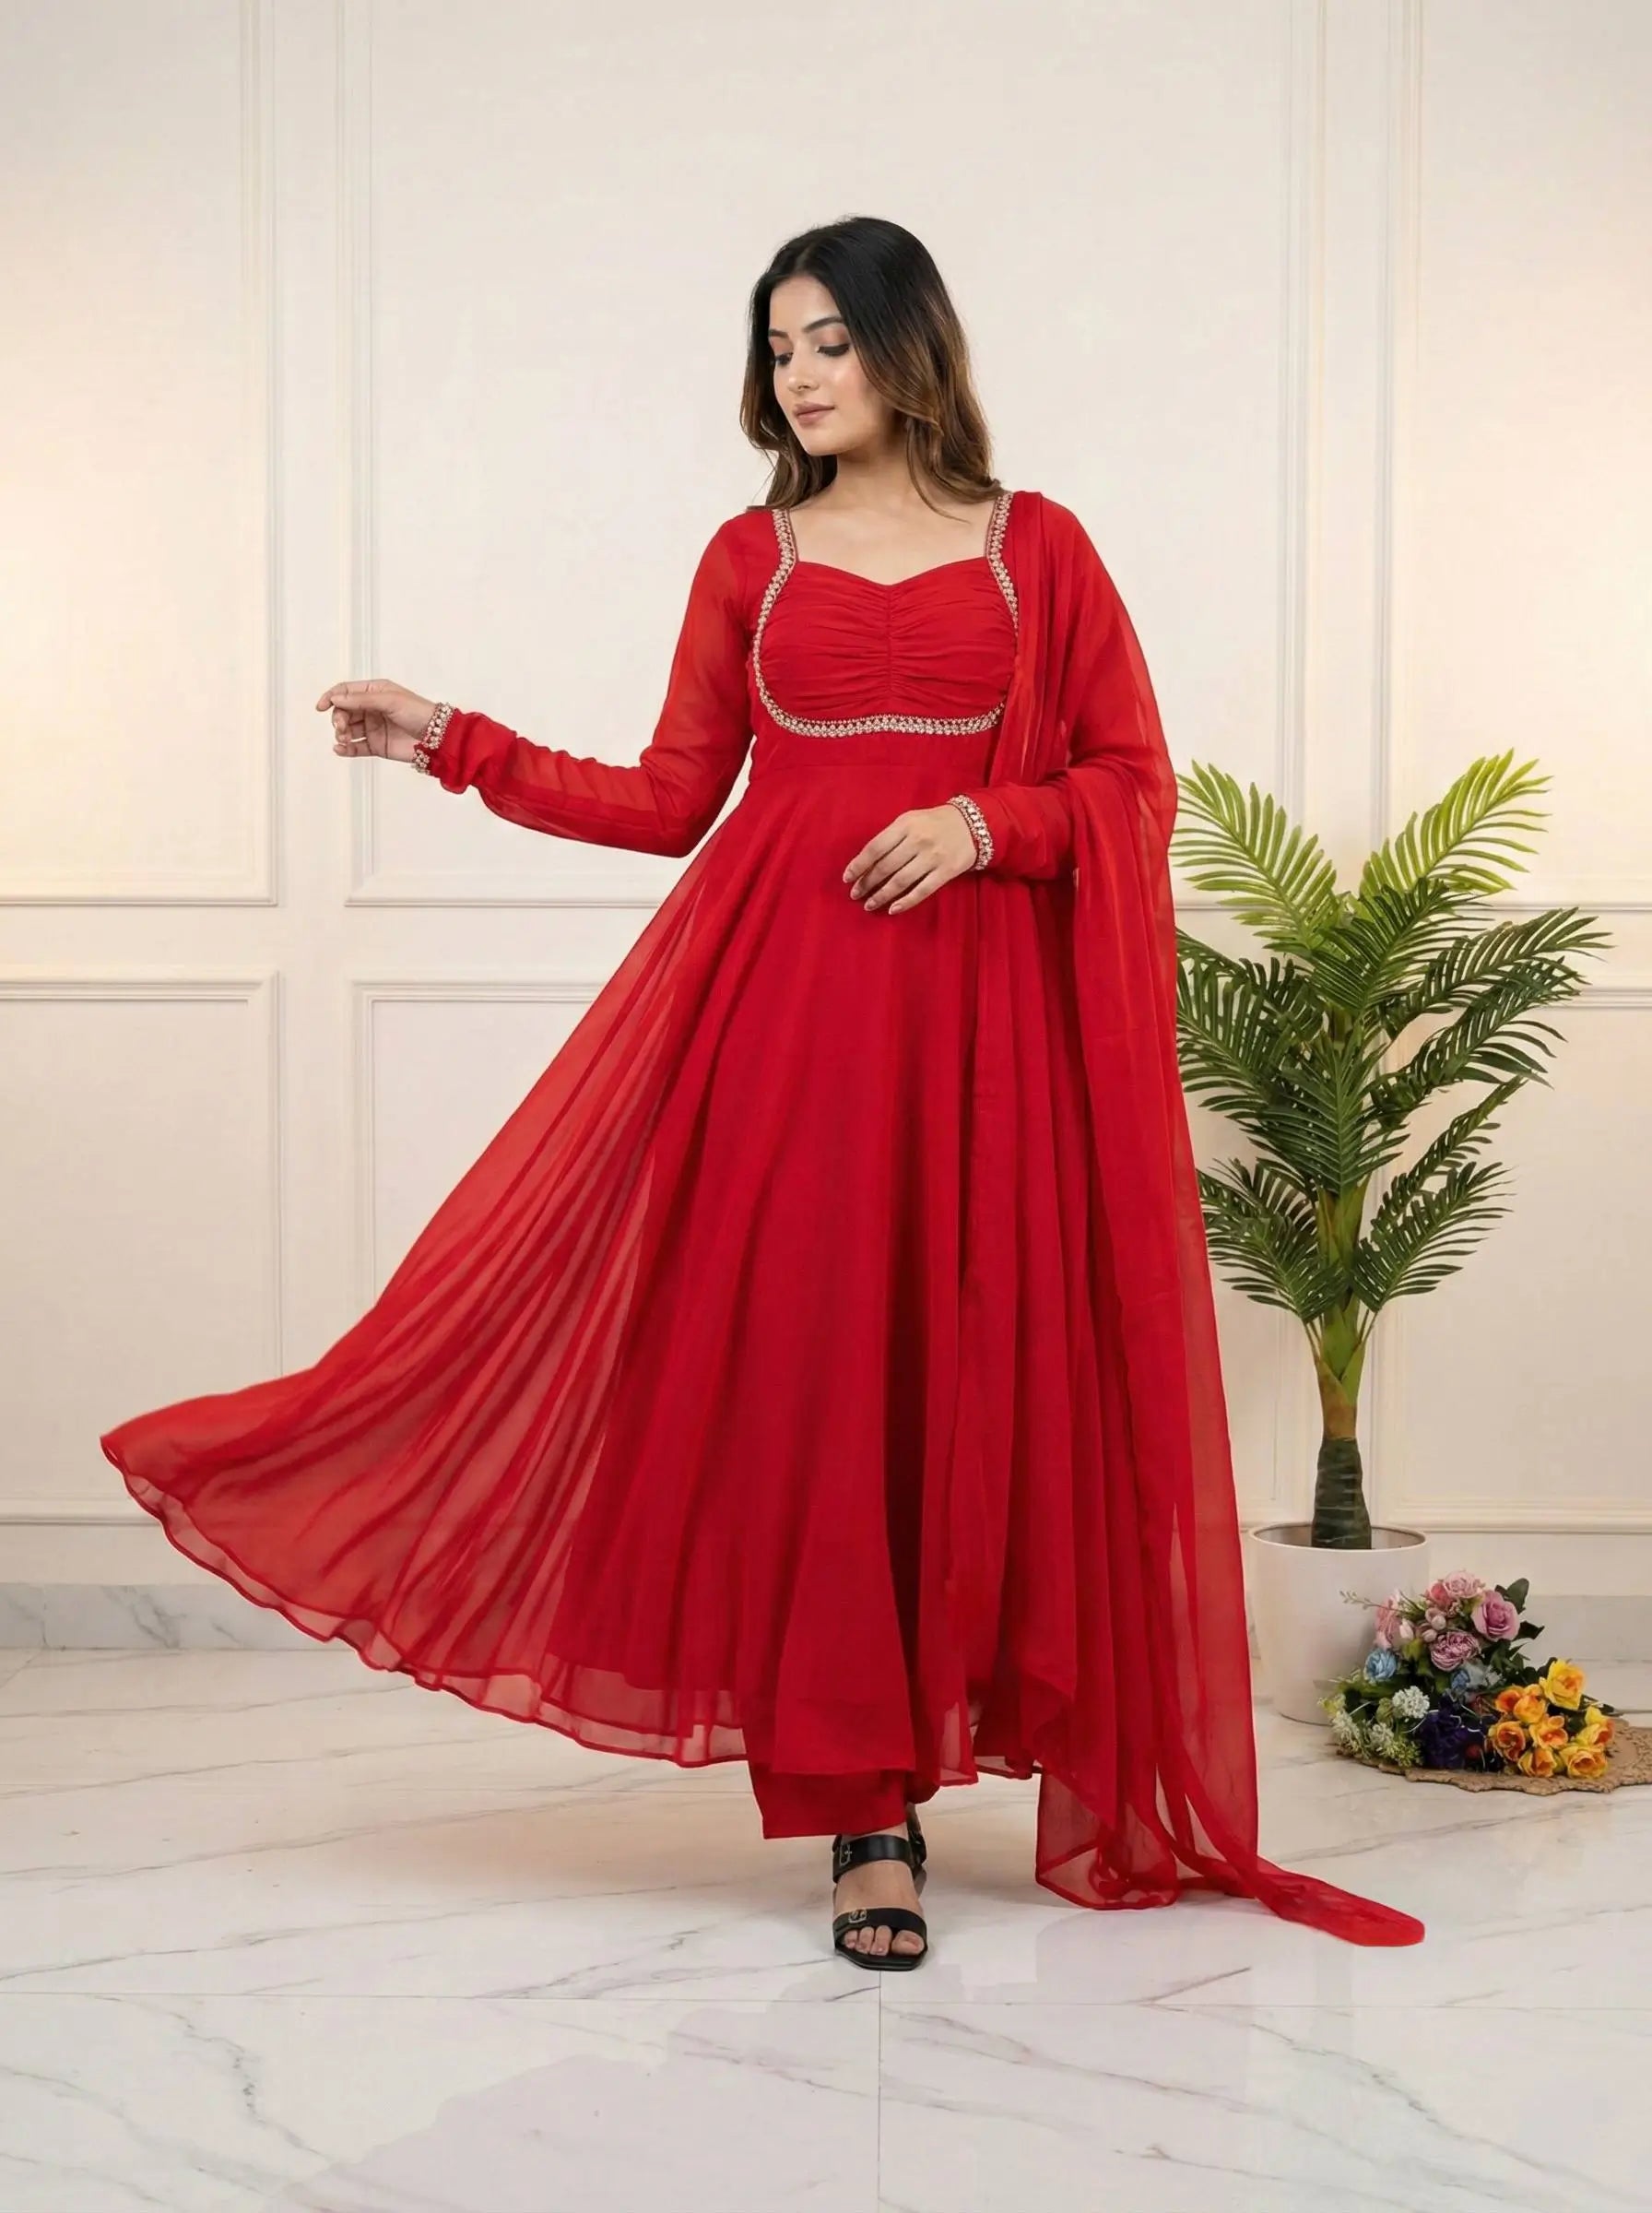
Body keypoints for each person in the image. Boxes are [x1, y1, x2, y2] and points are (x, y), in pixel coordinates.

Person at [100, 216, 1424, 1970]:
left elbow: (1133, 780)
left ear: (908, 345)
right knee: (819, 1389)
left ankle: (970, 1740)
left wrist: (987, 823)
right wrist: (455, 743)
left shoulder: (1041, 549)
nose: (798, 376)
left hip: (986, 1045)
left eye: (829, 342)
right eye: (778, 348)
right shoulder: (751, 558)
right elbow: (673, 798)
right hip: (789, 1030)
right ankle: (865, 1817)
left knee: (973, 1379)